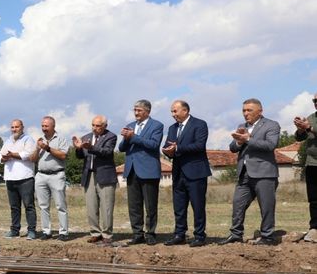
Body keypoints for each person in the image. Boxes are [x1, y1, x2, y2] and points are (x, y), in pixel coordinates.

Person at [222, 98, 281, 246]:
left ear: (260, 111)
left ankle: (267, 236)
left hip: (264, 173)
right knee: (238, 204)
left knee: (266, 206)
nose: (245, 113)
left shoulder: (271, 125)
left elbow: (270, 145)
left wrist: (248, 139)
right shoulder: (242, 126)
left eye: (249, 110)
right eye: (244, 110)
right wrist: (239, 141)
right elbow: (232, 148)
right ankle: (236, 234)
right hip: (244, 173)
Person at [162, 101, 212, 247]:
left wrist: (177, 148)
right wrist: (167, 151)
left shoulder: (199, 124)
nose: (173, 114)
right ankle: (179, 234)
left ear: (185, 110)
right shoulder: (172, 128)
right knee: (179, 207)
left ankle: (199, 236)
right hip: (178, 172)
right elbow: (167, 146)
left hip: (196, 172)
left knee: (198, 206)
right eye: (171, 111)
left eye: (175, 111)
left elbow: (199, 145)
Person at [119, 99, 164, 245]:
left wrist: (134, 137)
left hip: (149, 170)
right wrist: (126, 138)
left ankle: (150, 233)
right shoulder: (130, 126)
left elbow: (153, 144)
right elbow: (121, 148)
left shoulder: (157, 125)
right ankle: (137, 233)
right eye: (135, 110)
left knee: (150, 205)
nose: (136, 113)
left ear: (147, 111)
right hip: (132, 170)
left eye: (139, 110)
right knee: (134, 205)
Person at [73, 115, 117, 243]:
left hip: (105, 175)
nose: (94, 128)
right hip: (89, 175)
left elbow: (107, 152)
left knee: (106, 206)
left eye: (98, 126)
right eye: (93, 125)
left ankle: (107, 235)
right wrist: (78, 148)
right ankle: (95, 232)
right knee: (91, 206)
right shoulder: (86, 137)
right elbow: (80, 156)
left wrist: (91, 147)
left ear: (105, 126)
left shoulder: (111, 136)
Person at [0, 119, 37, 239]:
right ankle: (15, 230)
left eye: (17, 127)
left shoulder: (28, 139)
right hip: (10, 178)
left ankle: (31, 230)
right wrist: (3, 158)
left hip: (25, 178)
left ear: (22, 127)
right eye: (12, 127)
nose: (14, 129)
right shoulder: (8, 141)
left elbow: (28, 154)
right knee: (14, 207)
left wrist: (12, 155)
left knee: (29, 205)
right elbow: (0, 154)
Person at [34, 116, 69, 240]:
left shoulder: (61, 139)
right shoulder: (39, 140)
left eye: (46, 126)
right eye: (42, 126)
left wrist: (47, 148)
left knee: (60, 205)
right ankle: (46, 231)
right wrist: (38, 148)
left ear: (53, 126)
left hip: (56, 175)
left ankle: (63, 232)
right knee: (43, 205)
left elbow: (63, 155)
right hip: (41, 175)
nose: (44, 128)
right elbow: (33, 159)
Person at [294, 92, 317, 242]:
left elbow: (312, 130)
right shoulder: (311, 117)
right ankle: (314, 228)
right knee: (314, 199)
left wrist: (309, 128)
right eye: (314, 100)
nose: (316, 102)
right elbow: (298, 138)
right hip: (312, 163)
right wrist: (301, 129)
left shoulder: (311, 122)